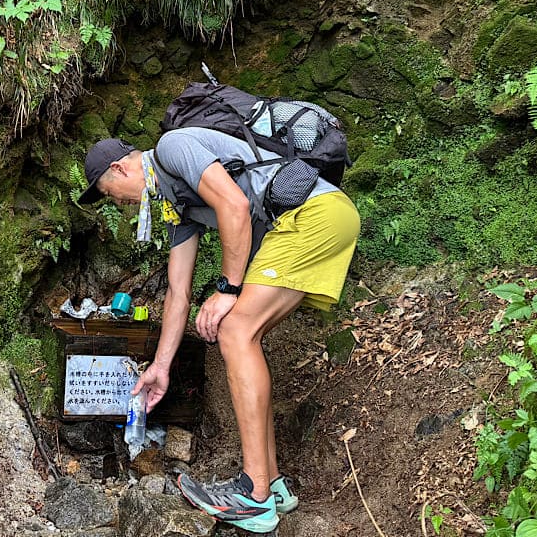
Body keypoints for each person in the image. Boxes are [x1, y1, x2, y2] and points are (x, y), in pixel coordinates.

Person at [78, 128, 360, 534]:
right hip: (317, 220)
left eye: (108, 192)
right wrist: (160, 367)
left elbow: (235, 205)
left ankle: (253, 495)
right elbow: (178, 291)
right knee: (243, 336)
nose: (117, 203)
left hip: (313, 217)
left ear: (119, 168)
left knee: (234, 331)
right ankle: (273, 485)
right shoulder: (178, 205)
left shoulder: (172, 148)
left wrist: (228, 288)